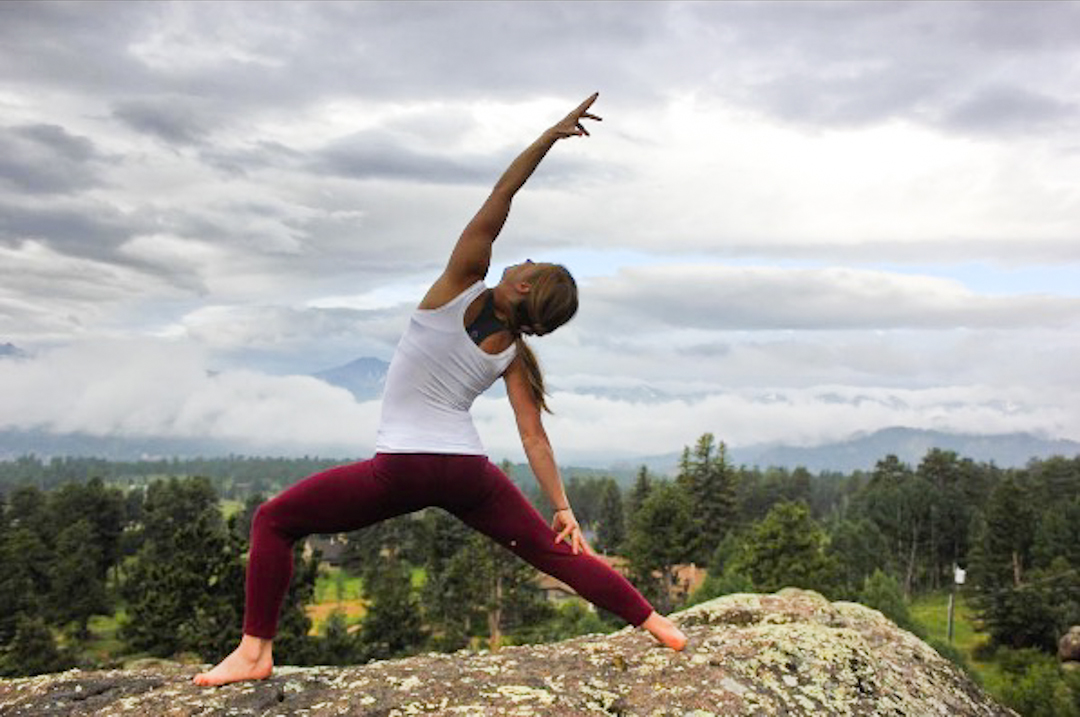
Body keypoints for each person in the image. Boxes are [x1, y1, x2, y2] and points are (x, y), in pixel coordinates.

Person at [193, 93, 687, 687]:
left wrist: (549, 138)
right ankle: (658, 623)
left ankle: (254, 653)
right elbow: (533, 436)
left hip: (402, 465)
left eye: (530, 265)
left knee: (274, 520)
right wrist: (561, 508)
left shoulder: (459, 284)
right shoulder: (514, 355)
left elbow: (500, 198)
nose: (522, 259)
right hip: (467, 471)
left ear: (527, 289)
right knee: (552, 552)